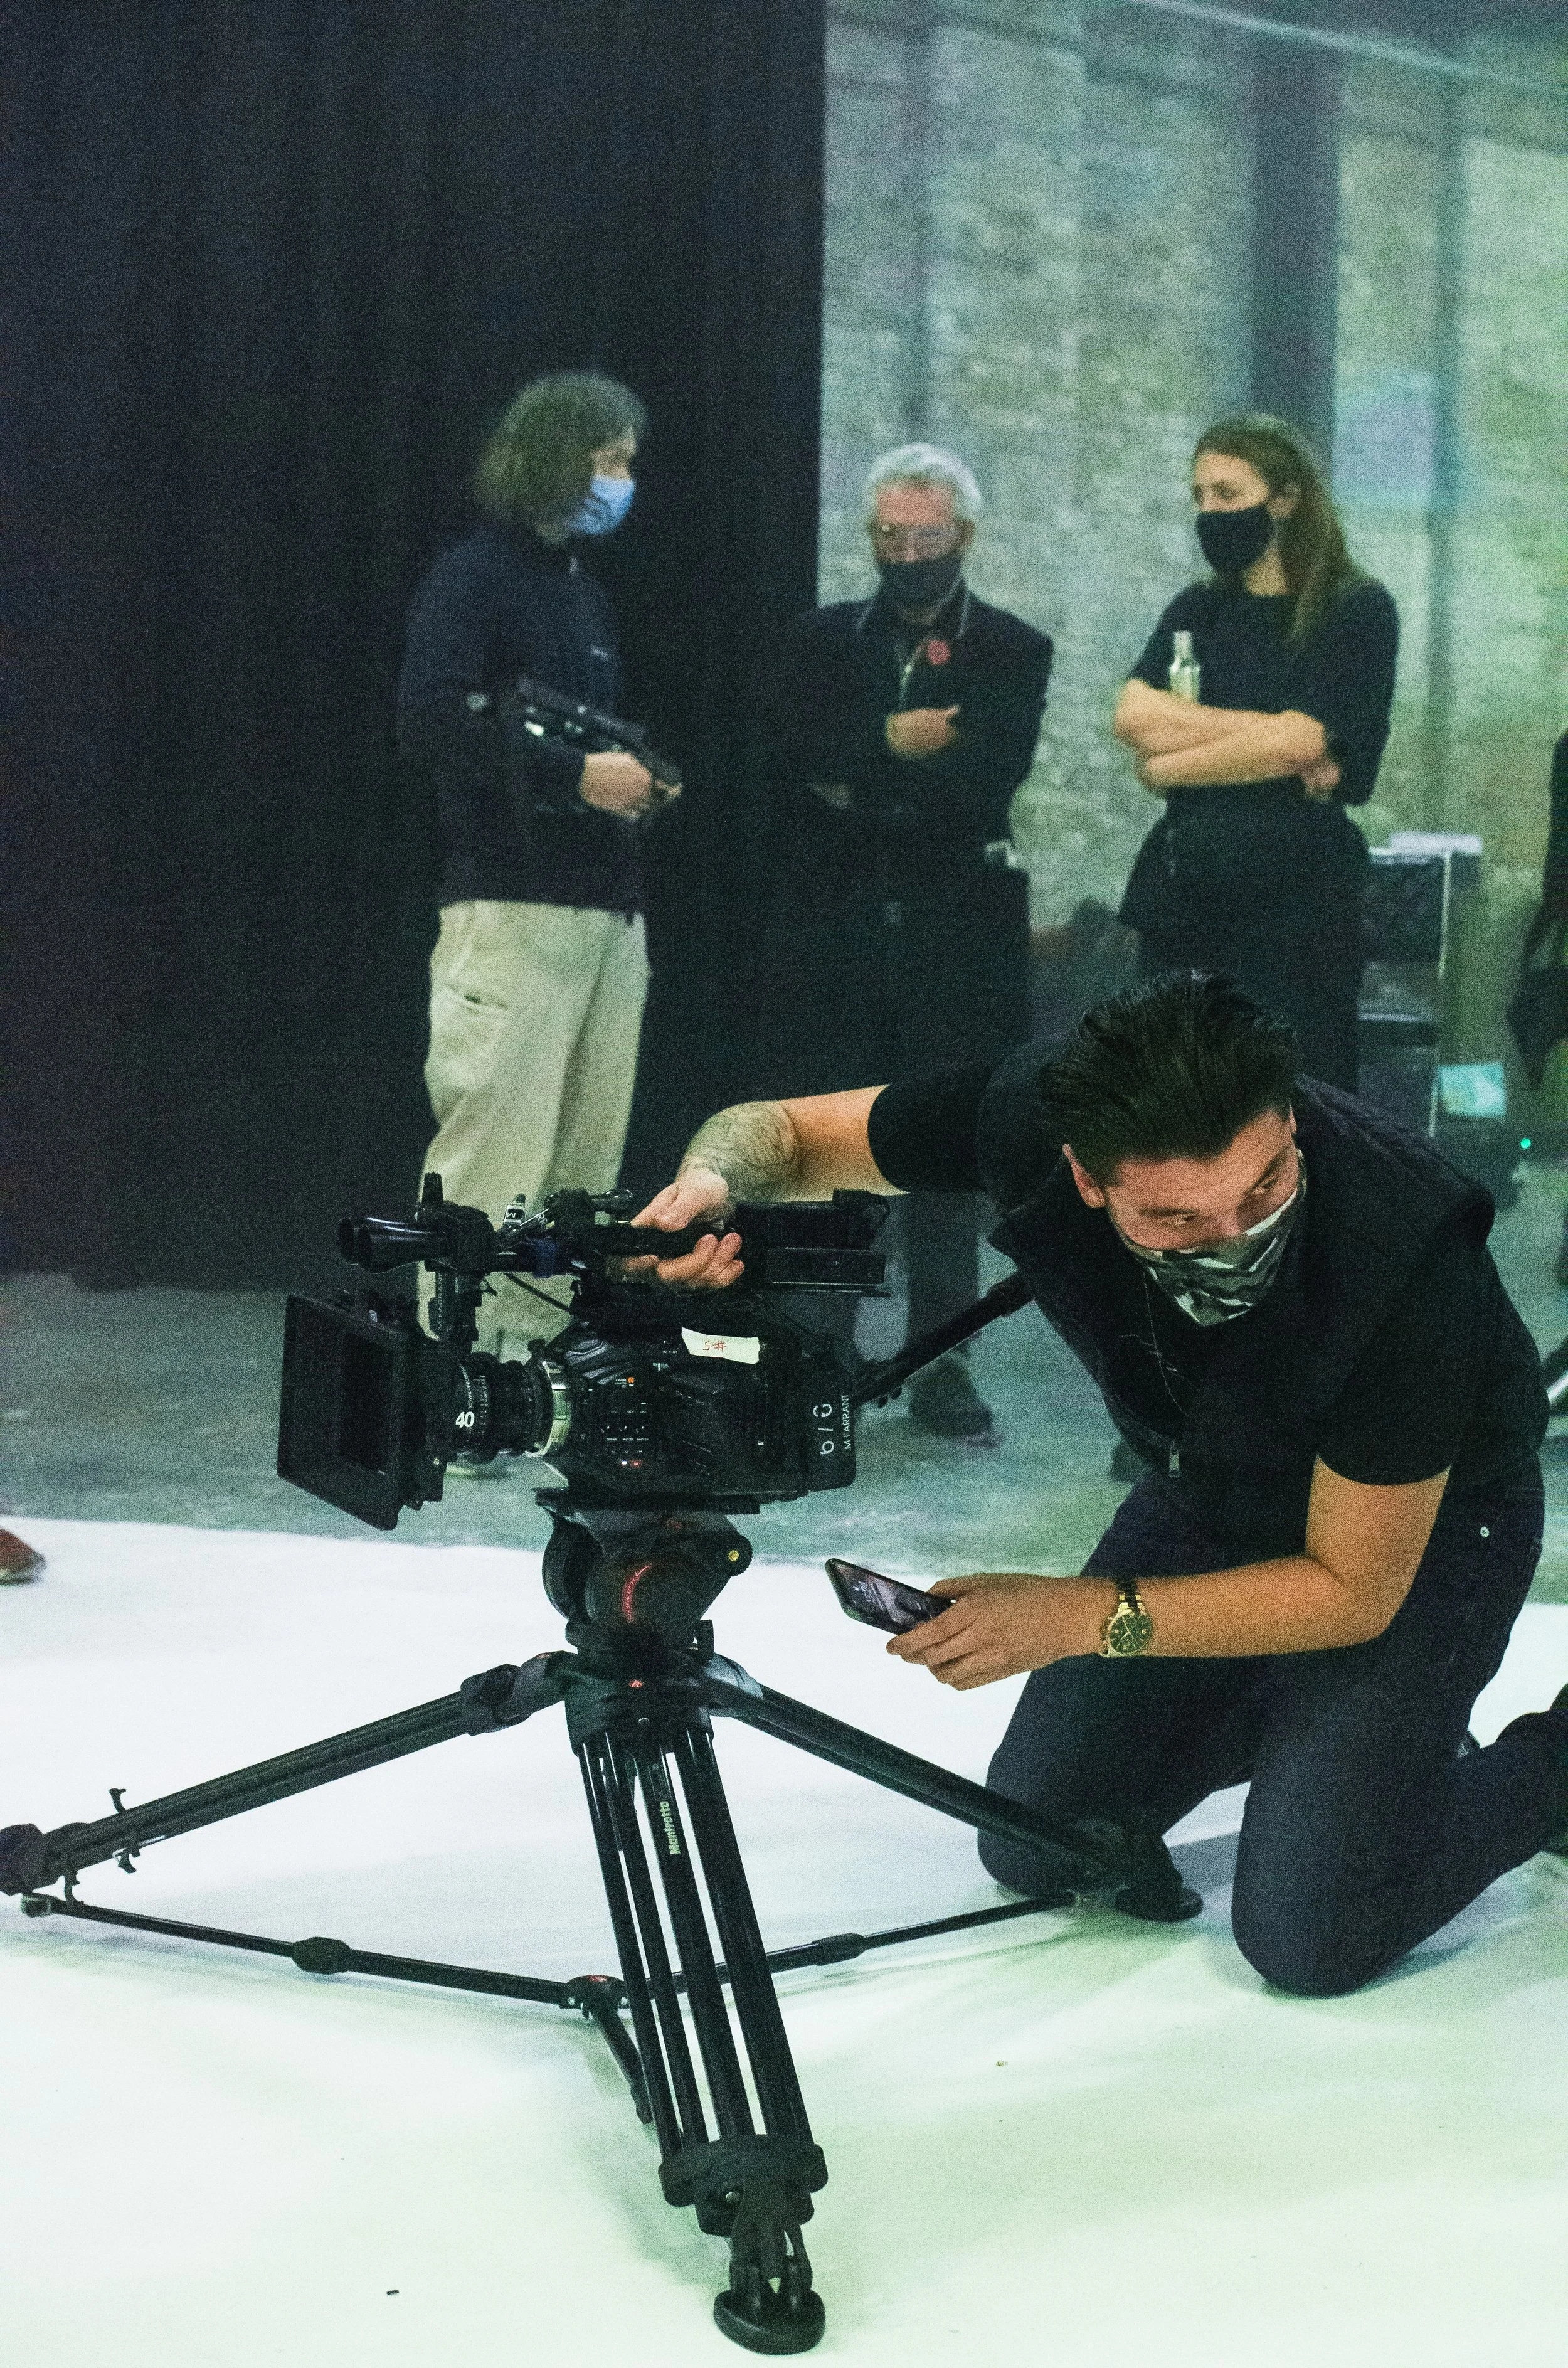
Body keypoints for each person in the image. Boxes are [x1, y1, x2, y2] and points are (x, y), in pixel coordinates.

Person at [626, 971, 1567, 1997]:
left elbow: (1351, 1589)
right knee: (1037, 1845)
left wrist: (1083, 1617)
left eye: (1263, 1188)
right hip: (1210, 1488)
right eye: (1174, 1218)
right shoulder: (1040, 1110)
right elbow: (783, 1135)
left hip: (1422, 1536)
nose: (1233, 1236)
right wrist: (709, 1188)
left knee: (1313, 1932)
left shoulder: (1401, 1248)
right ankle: (1339, 1730)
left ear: (1289, 1121)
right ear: (1083, 1174)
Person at [751, 443, 1051, 1438]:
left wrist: (857, 780)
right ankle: (815, 1351)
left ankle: (943, 1360)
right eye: (890, 535)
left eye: (926, 536)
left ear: (961, 536)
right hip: (831, 929)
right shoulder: (816, 639)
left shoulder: (1012, 648)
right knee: (826, 1142)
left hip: (954, 933)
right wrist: (892, 740)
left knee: (945, 1153)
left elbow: (983, 785)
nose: (907, 552)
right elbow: (793, 761)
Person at [398, 372, 675, 1356]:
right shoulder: (474, 577)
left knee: (581, 1169)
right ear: (561, 459)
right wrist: (573, 774)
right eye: (612, 460)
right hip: (513, 909)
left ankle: (531, 1374)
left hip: (606, 909)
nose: (624, 480)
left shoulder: (583, 592)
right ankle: (459, 1373)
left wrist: (624, 781)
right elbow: (431, 717)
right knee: (495, 1156)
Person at [1113, 416, 1397, 1090]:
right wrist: (1272, 742)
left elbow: (1300, 739)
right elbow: (1133, 718)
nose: (1210, 510)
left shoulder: (1351, 608)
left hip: (1296, 898)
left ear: (1284, 498)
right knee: (1175, 1093)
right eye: (1200, 495)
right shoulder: (1198, 609)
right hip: (1187, 886)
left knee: (1293, 1093)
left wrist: (1174, 761)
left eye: (1227, 492)